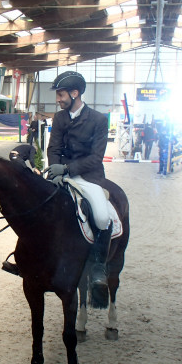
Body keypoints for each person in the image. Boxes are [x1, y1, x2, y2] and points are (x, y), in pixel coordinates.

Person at [45, 71, 112, 289]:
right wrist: (56, 172)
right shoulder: (59, 118)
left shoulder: (99, 120)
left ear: (75, 93)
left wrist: (66, 168)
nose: (58, 99)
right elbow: (53, 147)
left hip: (88, 176)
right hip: (61, 175)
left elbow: (96, 158)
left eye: (61, 95)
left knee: (102, 217)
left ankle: (99, 266)